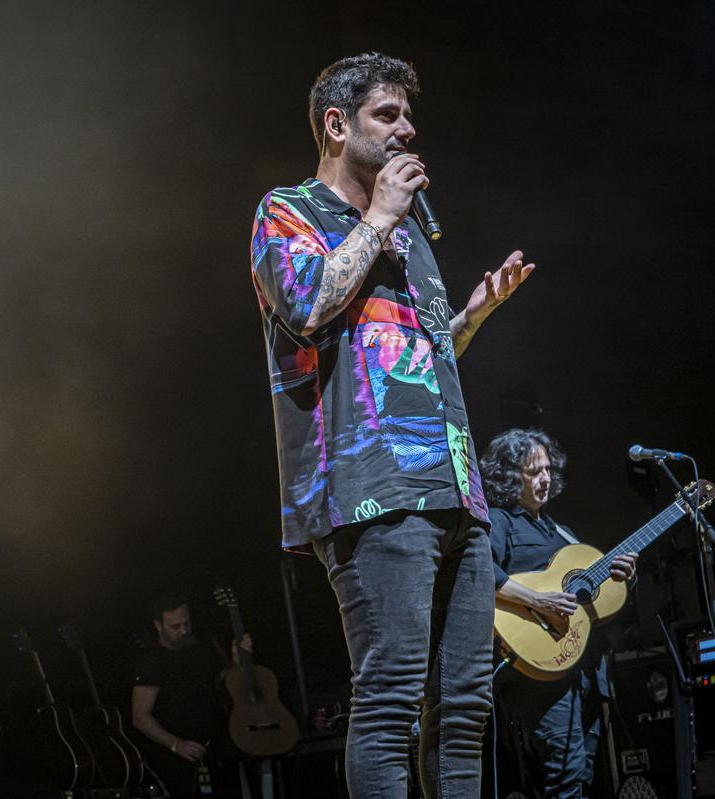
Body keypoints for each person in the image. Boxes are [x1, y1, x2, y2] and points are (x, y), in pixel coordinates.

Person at [249, 52, 535, 796]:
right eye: (389, 115)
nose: (408, 130)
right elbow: (307, 309)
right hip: (370, 487)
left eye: (410, 116)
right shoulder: (289, 211)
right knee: (391, 700)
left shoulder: (406, 239)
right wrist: (377, 218)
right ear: (337, 126)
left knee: (466, 705)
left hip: (454, 486)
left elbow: (415, 355)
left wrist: (470, 317)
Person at [482, 429, 637, 798]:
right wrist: (539, 602)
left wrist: (623, 576)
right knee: (564, 775)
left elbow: (596, 604)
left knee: (583, 773)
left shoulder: (563, 533)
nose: (546, 479)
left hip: (585, 669)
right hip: (539, 673)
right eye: (534, 471)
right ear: (509, 475)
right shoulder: (500, 521)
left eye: (548, 470)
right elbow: (481, 574)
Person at [131, 593, 249, 798]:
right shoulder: (151, 662)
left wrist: (236, 661)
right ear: (158, 626)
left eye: (187, 623)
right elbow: (140, 716)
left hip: (215, 748)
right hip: (179, 758)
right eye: (175, 627)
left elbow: (224, 685)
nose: (184, 631)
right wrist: (176, 744)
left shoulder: (201, 650)